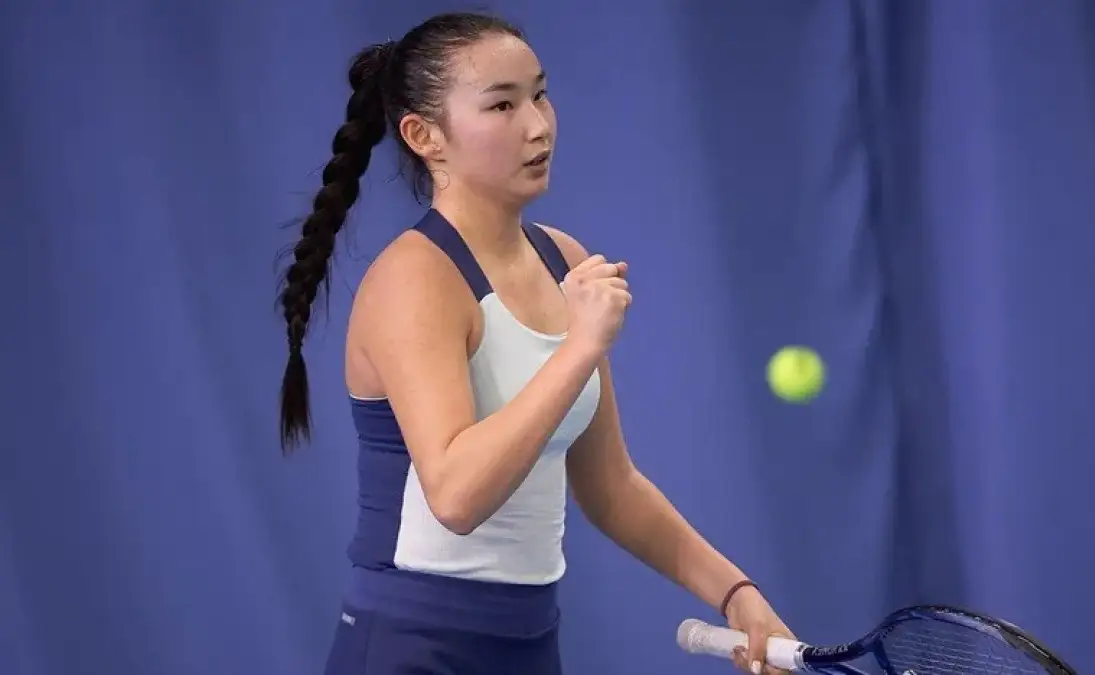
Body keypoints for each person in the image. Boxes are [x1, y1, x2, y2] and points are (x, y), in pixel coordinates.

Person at [276, 10, 797, 675]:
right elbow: (457, 495)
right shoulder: (413, 279)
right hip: (410, 647)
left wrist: (736, 592)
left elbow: (611, 486)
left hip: (529, 642)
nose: (538, 125)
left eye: (540, 94)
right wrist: (578, 346)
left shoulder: (563, 259)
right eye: (501, 104)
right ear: (424, 135)